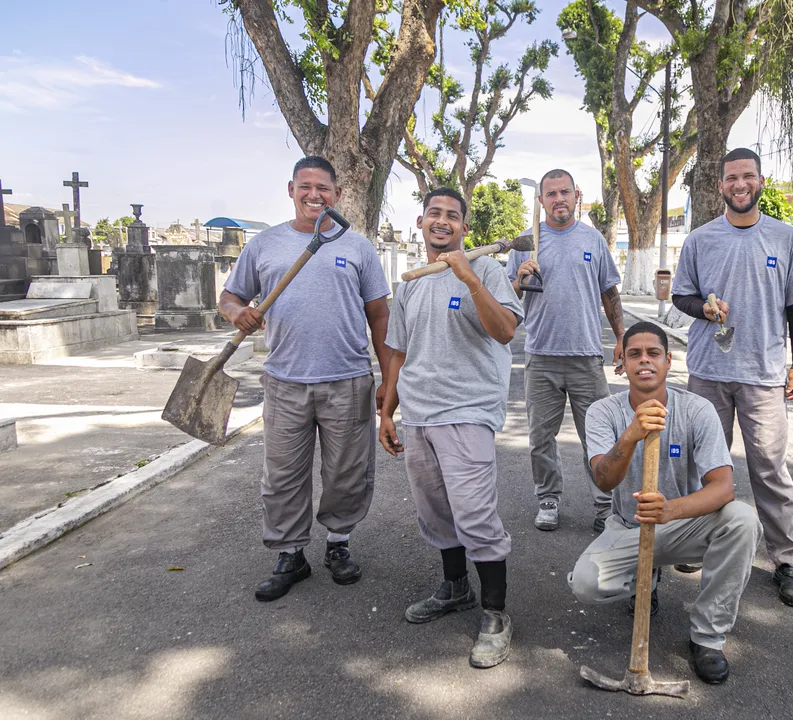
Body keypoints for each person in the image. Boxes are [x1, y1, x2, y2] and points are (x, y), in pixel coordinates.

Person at [219, 156, 391, 602]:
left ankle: (339, 544)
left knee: (347, 472)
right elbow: (230, 296)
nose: (314, 195)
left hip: (348, 378)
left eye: (323, 189)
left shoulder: (357, 248)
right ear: (291, 189)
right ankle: (290, 554)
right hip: (285, 380)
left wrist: (389, 378)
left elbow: (380, 315)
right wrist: (239, 312)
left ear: (336, 195)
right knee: (283, 475)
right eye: (305, 186)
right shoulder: (265, 245)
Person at [568, 322, 762, 684]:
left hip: (683, 525)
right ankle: (646, 579)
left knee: (742, 520)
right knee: (586, 584)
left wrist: (671, 510)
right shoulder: (602, 412)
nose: (644, 361)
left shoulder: (697, 410)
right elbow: (604, 479)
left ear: (669, 361)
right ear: (621, 362)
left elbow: (723, 489)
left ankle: (707, 638)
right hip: (628, 526)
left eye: (653, 353)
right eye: (634, 354)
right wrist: (631, 435)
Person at [379, 188, 524, 668]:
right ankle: (455, 588)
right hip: (418, 412)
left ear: (464, 226)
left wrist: (469, 278)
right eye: (434, 215)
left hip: (468, 410)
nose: (442, 222)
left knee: (474, 513)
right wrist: (387, 410)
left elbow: (504, 330)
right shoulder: (411, 284)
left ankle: (496, 615)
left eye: (452, 217)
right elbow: (398, 351)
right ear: (421, 222)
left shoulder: (485, 269)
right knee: (437, 511)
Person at [671, 147, 793, 608]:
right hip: (709, 370)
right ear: (720, 185)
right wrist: (704, 308)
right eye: (731, 177)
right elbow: (681, 296)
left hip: (763, 373)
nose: (740, 184)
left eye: (747, 176)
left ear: (760, 181)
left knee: (769, 468)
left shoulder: (786, 238)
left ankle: (787, 559)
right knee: (705, 465)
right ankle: (699, 542)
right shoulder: (699, 240)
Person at [506, 169, 625, 533]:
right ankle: (548, 498)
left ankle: (605, 505)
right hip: (541, 357)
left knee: (600, 437)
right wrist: (519, 279)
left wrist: (623, 338)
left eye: (565, 192)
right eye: (551, 193)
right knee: (541, 438)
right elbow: (506, 300)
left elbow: (610, 293)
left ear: (577, 196)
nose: (558, 199)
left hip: (586, 356)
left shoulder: (593, 240)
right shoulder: (526, 243)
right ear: (540, 200)